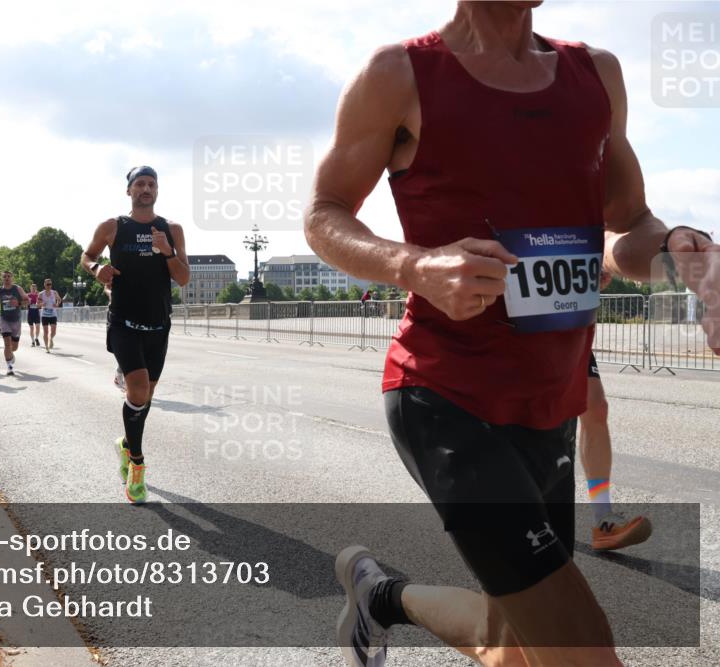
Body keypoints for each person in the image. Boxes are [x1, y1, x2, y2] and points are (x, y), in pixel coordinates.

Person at [303, 2, 720, 665]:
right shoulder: (398, 75)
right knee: (581, 651)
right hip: (445, 396)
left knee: (518, 648)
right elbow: (324, 213)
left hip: (551, 410)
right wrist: (415, 264)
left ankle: (381, 597)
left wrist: (680, 252)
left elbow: (625, 225)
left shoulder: (596, 76)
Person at [81, 165, 190, 504]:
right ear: (128, 190)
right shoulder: (113, 227)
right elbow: (86, 256)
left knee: (145, 397)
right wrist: (98, 269)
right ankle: (137, 466)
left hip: (158, 323)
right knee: (139, 389)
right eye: (139, 184)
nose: (146, 188)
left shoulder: (171, 229)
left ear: (157, 190)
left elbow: (183, 278)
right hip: (124, 321)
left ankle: (125, 444)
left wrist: (167, 251)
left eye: (151, 184)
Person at [580, 272, 651, 551]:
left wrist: (602, 265)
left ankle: (602, 518)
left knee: (596, 408)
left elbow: (612, 241)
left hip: (567, 326)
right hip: (508, 324)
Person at [0, 271, 28, 375]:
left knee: (14, 347)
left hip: (16, 320)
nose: (7, 278)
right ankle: (9, 367)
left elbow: (27, 301)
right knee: (7, 344)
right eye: (4, 276)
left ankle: (11, 355)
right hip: (4, 319)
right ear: (2, 278)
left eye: (9, 276)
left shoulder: (17, 289)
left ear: (12, 278)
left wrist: (18, 303)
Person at [37, 279, 62, 352]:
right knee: (46, 332)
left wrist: (57, 304)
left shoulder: (54, 292)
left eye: (50, 284)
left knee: (54, 332)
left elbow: (59, 299)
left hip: (53, 314)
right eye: (47, 284)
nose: (49, 286)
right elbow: (37, 304)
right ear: (44, 285)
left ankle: (51, 339)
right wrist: (42, 304)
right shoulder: (41, 294)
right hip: (44, 315)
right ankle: (46, 347)